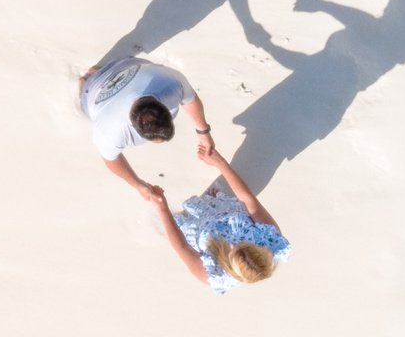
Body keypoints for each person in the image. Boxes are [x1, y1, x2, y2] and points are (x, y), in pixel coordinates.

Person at [155, 132, 288, 292]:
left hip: (197, 232)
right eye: (243, 243)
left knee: (167, 223)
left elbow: (182, 247)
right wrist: (219, 162)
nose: (232, 243)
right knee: (217, 198)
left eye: (234, 249)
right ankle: (213, 201)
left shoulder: (212, 275)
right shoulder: (270, 239)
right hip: (222, 212)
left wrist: (161, 206)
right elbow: (248, 199)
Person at [76, 51, 207, 207]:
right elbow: (111, 160)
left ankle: (99, 74)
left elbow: (191, 100)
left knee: (120, 71)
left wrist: (204, 133)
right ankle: (86, 80)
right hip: (100, 86)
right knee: (84, 104)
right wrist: (138, 185)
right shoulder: (110, 129)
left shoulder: (170, 82)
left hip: (126, 66)